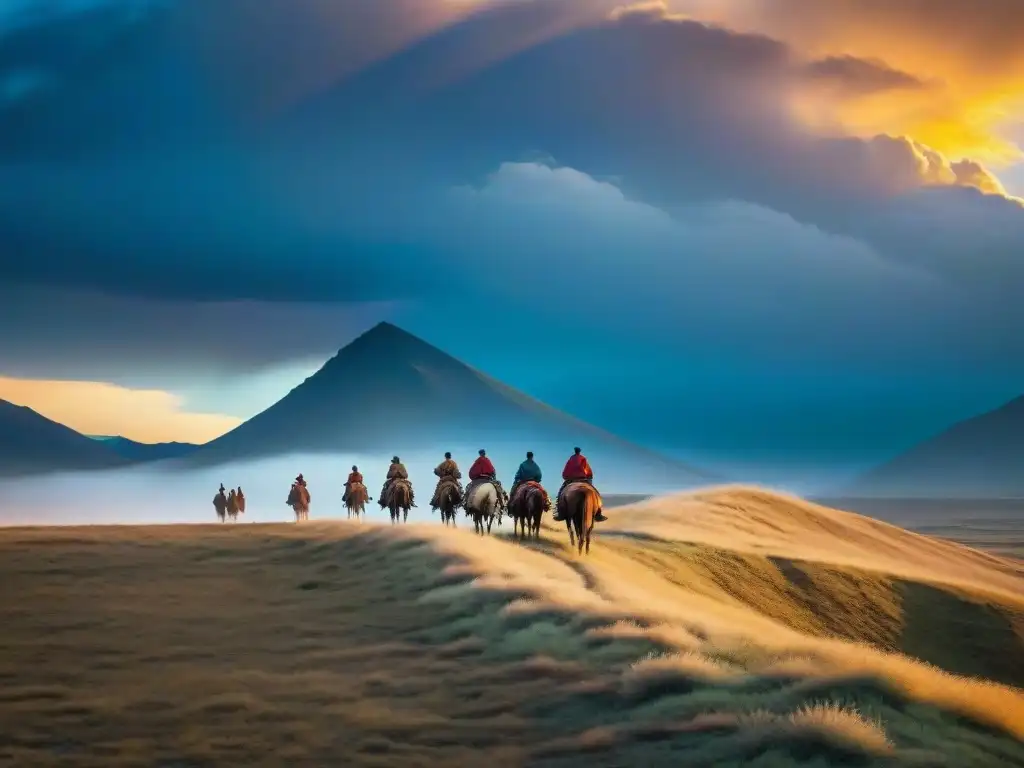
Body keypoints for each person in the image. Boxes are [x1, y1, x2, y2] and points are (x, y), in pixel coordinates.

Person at [552, 447, 607, 522]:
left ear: (575, 451)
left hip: (571, 480)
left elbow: (565, 471)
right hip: (583, 479)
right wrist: (589, 476)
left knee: (561, 493)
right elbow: (588, 471)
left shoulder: (570, 460)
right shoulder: (583, 459)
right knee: (596, 493)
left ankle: (560, 513)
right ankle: (598, 513)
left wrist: (566, 476)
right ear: (579, 451)